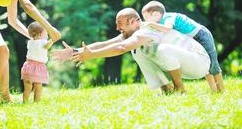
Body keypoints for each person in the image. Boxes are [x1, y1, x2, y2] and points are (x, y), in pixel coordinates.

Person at [52, 8, 210, 94]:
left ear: (134, 22)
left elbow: (121, 48)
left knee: (161, 49)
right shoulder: (132, 33)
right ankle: (166, 89)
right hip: (183, 64)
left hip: (199, 62)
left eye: (120, 23)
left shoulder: (146, 29)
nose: (117, 28)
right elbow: (105, 44)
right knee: (138, 52)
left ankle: (180, 90)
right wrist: (74, 51)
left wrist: (91, 55)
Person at [141, 0, 224, 92]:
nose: (146, 21)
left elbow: (168, 29)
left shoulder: (168, 16)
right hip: (192, 39)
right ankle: (214, 90)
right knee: (207, 65)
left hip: (201, 35)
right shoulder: (161, 22)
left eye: (146, 18)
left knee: (213, 63)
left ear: (155, 14)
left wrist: (150, 24)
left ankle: (221, 90)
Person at [21, 22, 52, 103]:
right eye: (46, 33)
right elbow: (47, 46)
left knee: (27, 87)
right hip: (39, 67)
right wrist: (53, 40)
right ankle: (36, 102)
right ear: (40, 34)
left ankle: (25, 101)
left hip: (28, 65)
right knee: (38, 86)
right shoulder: (43, 42)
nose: (47, 35)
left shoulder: (30, 42)